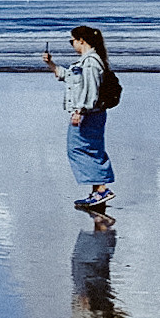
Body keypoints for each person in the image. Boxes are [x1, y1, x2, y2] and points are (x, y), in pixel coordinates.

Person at [44, 25, 113, 209]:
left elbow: (91, 89)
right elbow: (68, 77)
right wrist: (51, 64)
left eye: (72, 41)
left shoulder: (90, 62)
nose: (72, 44)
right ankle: (98, 191)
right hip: (94, 113)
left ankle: (101, 190)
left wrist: (79, 111)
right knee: (92, 150)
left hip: (89, 114)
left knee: (77, 149)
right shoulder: (88, 61)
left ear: (81, 41)